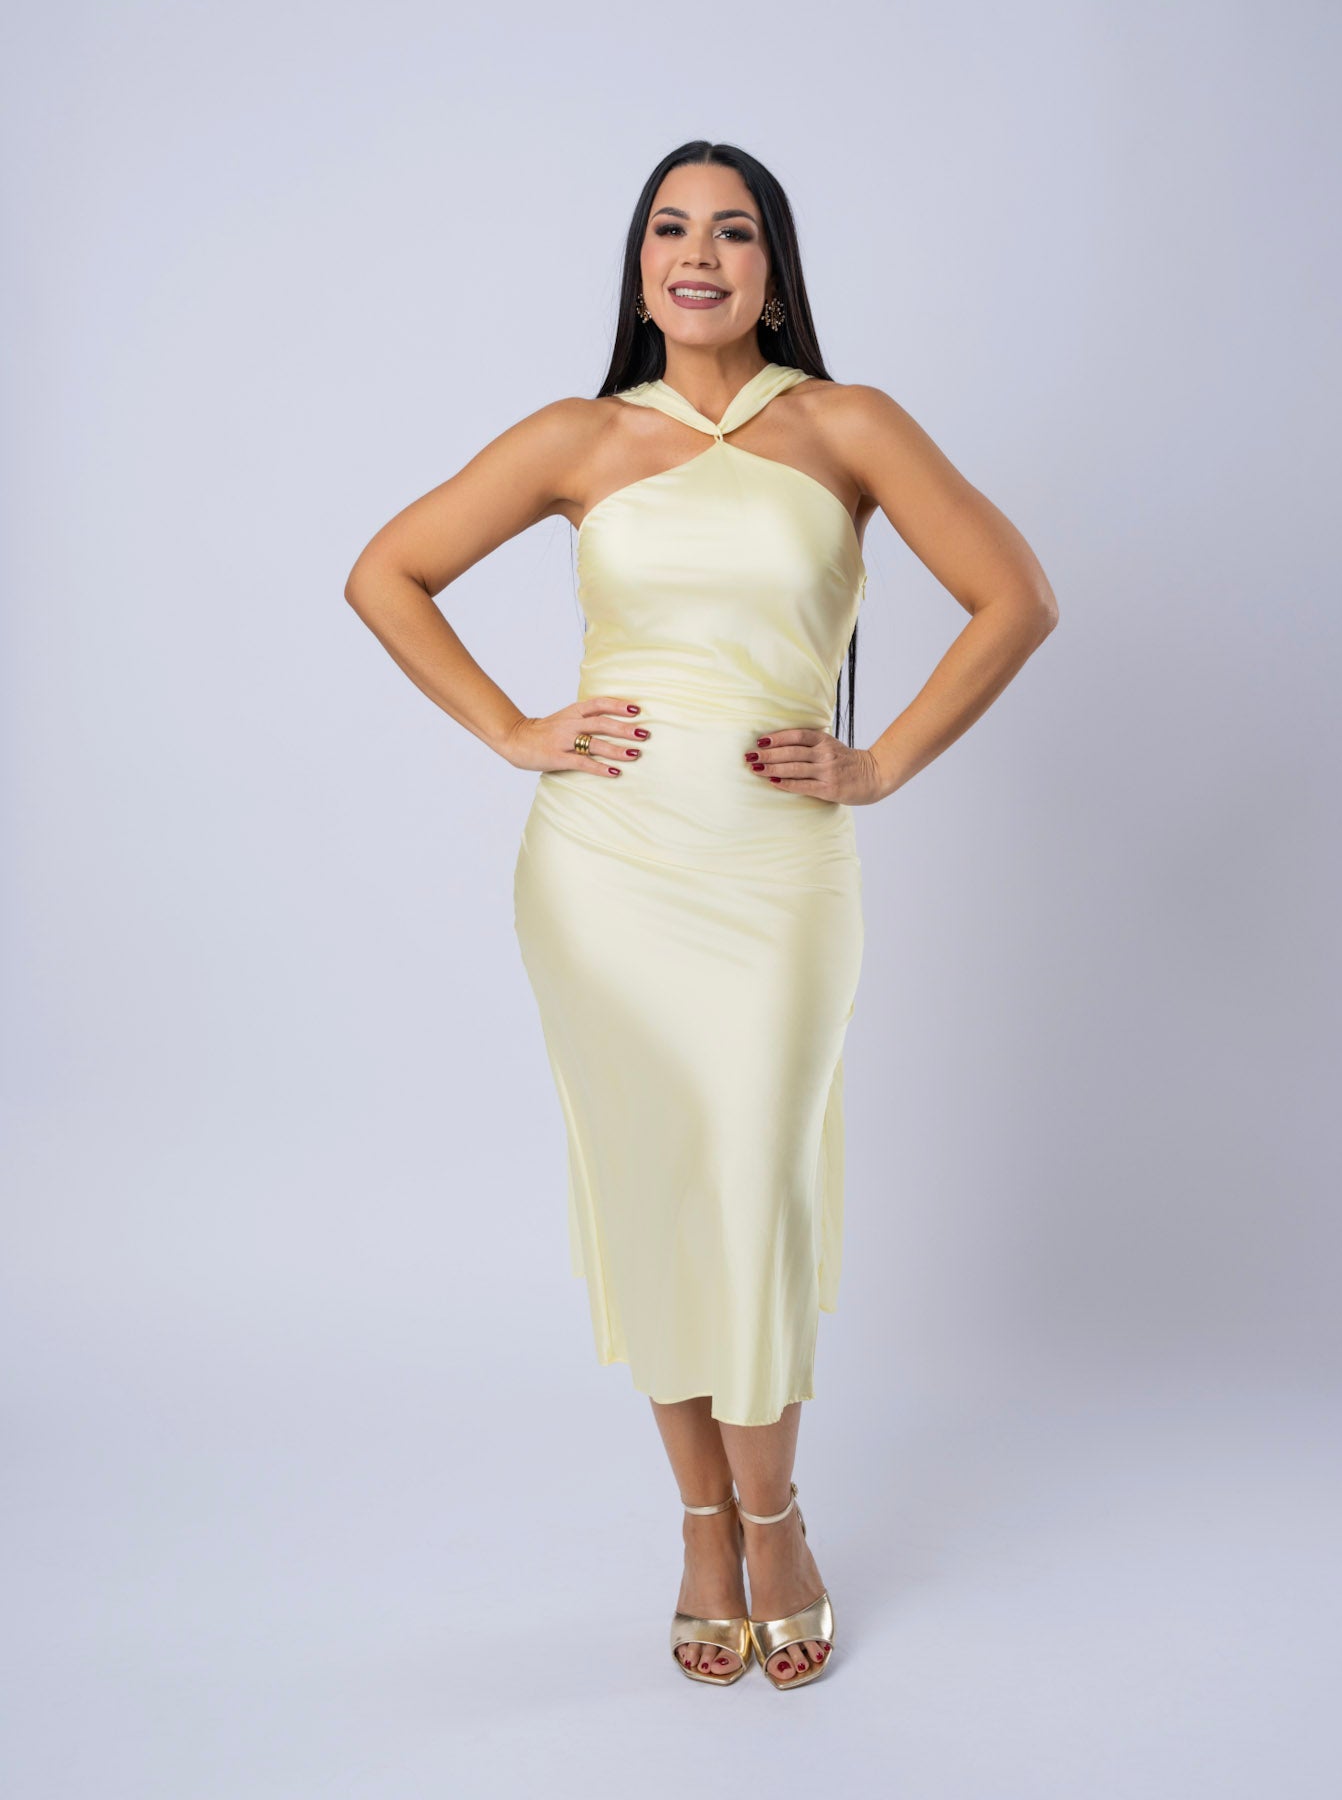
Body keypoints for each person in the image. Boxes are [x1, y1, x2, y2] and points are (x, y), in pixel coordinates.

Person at [344, 139, 1058, 1691]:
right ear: (638, 265)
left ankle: (774, 1514)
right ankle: (699, 1526)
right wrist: (511, 727)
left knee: (754, 1179)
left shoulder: (848, 425)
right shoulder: (579, 436)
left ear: (772, 271)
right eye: (669, 228)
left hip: (775, 869)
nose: (697, 254)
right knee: (658, 1186)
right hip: (602, 868)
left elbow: (1015, 598)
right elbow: (386, 572)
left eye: (731, 232)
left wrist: (878, 762)